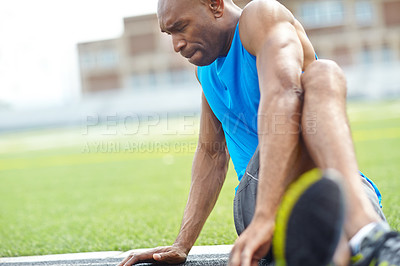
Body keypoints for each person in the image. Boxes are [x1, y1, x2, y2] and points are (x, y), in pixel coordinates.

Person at [118, 0, 400, 265]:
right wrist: (182, 243)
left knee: (323, 73)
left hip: (339, 191)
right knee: (324, 72)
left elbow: (283, 93)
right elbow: (211, 153)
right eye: (169, 34)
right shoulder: (205, 72)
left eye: (181, 27)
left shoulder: (260, 16)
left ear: (215, 4)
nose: (177, 45)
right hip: (261, 197)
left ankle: (363, 236)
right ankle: (367, 234)